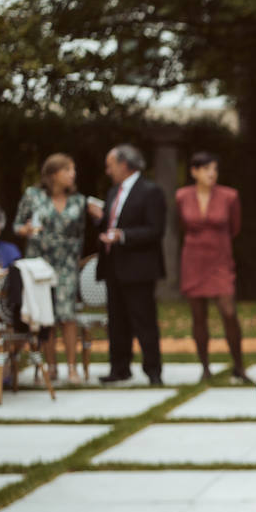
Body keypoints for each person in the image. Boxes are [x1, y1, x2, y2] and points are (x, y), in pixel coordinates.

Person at [14, 154, 89, 384]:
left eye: (73, 170)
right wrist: (25, 230)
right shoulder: (32, 196)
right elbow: (17, 225)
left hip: (66, 263)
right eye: (68, 169)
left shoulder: (79, 200)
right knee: (46, 314)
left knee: (67, 315)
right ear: (54, 173)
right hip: (40, 263)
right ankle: (51, 367)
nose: (72, 174)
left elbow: (81, 233)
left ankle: (72, 368)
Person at [96, 143, 166, 386]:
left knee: (144, 320)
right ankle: (119, 368)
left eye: (110, 165)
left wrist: (122, 235)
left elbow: (155, 230)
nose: (108, 171)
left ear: (124, 165)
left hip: (139, 267)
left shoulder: (150, 191)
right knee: (116, 320)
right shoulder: (113, 191)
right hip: (113, 265)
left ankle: (153, 370)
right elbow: (110, 221)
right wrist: (100, 220)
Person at [176, 151, 246, 383]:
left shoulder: (229, 196)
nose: (211, 174)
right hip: (193, 259)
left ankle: (239, 366)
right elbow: (180, 226)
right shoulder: (182, 196)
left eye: (215, 169)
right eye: (206, 169)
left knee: (228, 311)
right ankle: (205, 368)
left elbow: (235, 228)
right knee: (198, 315)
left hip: (220, 259)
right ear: (194, 171)